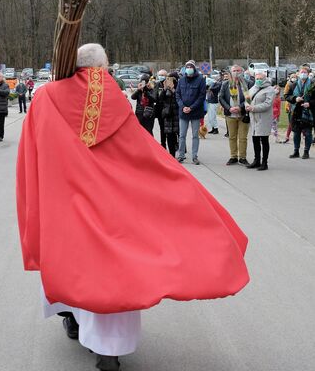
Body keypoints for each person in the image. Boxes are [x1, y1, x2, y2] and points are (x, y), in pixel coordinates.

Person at [16, 43, 249, 371]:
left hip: (63, 204)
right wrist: (172, 185)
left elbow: (33, 153)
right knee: (113, 274)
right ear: (102, 67)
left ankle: (70, 316)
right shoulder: (114, 99)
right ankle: (107, 349)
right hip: (110, 206)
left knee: (69, 264)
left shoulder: (45, 97)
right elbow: (140, 154)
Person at [176, 60, 206, 164]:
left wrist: (191, 108)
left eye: (190, 67)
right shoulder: (181, 80)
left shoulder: (201, 80)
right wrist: (182, 106)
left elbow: (202, 96)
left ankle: (194, 156)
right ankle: (181, 155)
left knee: (195, 135)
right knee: (182, 135)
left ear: (194, 68)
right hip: (183, 112)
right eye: (187, 67)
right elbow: (178, 95)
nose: (189, 69)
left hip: (195, 113)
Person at [218, 66, 250, 165]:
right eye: (234, 71)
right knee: (232, 136)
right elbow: (221, 97)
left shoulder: (247, 83)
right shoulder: (225, 84)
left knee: (243, 137)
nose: (236, 72)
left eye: (238, 70)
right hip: (230, 114)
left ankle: (242, 157)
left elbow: (249, 97)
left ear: (242, 72)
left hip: (243, 114)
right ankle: (233, 156)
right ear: (230, 73)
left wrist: (240, 107)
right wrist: (229, 108)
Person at [245, 71, 275, 170]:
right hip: (253, 118)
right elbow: (247, 99)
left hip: (263, 118)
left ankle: (264, 162)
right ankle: (256, 160)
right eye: (257, 79)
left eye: (260, 79)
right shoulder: (253, 88)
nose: (258, 80)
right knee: (255, 139)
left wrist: (253, 108)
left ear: (265, 79)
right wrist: (247, 106)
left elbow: (267, 104)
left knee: (264, 140)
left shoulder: (270, 90)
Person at [286, 69, 315, 159]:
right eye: (302, 72)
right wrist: (295, 98)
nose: (303, 74)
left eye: (305, 73)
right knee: (296, 132)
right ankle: (296, 151)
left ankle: (306, 151)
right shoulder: (293, 84)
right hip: (296, 112)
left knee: (308, 133)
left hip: (308, 111)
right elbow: (287, 96)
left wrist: (310, 103)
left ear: (308, 74)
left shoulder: (313, 85)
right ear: (298, 74)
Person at [157, 71, 180, 156]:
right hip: (168, 115)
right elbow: (160, 99)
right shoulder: (165, 89)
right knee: (169, 136)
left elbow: (179, 100)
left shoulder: (178, 88)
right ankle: (171, 155)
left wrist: (173, 89)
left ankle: (180, 151)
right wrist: (164, 88)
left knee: (176, 135)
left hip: (176, 115)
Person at [153, 69, 170, 148]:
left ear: (166, 76)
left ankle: (174, 144)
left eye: (163, 75)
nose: (161, 77)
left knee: (170, 130)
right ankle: (163, 145)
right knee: (162, 129)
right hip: (160, 110)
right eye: (160, 75)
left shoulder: (169, 84)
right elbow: (155, 97)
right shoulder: (156, 84)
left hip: (169, 110)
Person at [281, 73, 298, 144]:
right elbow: (286, 95)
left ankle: (303, 136)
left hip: (298, 104)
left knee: (300, 122)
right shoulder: (288, 85)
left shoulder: (298, 85)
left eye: (295, 77)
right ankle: (287, 136)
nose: (294, 78)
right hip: (290, 105)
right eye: (292, 77)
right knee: (291, 122)